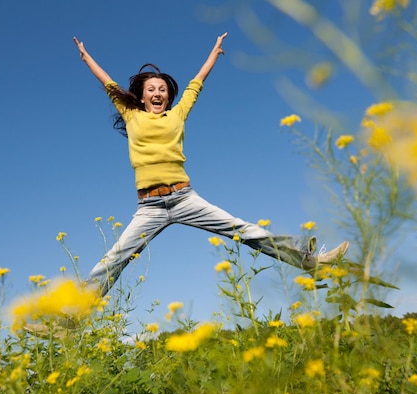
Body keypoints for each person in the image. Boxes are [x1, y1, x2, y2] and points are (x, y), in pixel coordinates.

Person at [73, 33, 349, 297]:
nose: (158, 93)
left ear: (168, 97)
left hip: (183, 198)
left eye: (163, 90)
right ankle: (70, 318)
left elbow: (197, 83)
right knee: (114, 258)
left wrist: (214, 53)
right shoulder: (131, 115)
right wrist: (86, 58)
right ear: (142, 97)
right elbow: (109, 83)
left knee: (242, 230)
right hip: (149, 207)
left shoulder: (177, 115)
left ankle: (310, 261)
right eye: (151, 90)